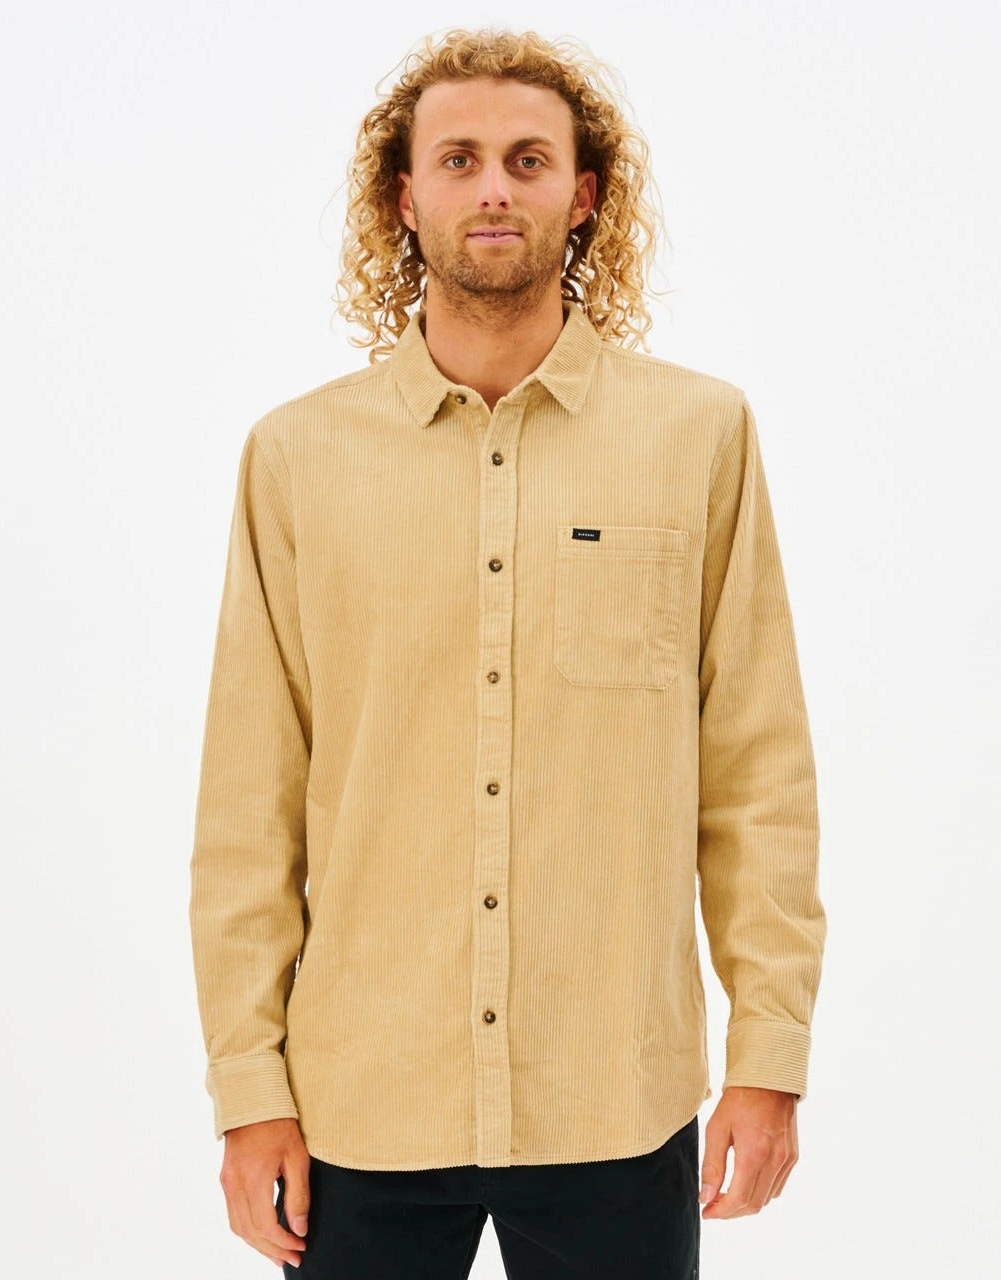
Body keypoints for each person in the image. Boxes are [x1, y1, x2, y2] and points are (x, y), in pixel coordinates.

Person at [188, 25, 827, 1279]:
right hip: (360, 1097)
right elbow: (249, 805)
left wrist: (771, 1056)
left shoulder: (697, 436)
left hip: (613, 1094)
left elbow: (758, 773)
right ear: (403, 195)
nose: (493, 187)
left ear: (582, 195)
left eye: (528, 160)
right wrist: (247, 1085)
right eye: (460, 158)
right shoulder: (297, 459)